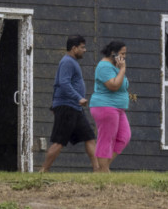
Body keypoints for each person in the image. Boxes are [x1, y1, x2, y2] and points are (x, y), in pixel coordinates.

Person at [40, 35, 99, 172]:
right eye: (82, 47)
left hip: (75, 108)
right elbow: (63, 83)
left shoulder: (72, 62)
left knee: (89, 137)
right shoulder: (67, 62)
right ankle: (43, 171)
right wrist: (78, 97)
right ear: (74, 48)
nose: (85, 50)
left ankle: (98, 170)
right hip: (67, 107)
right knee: (59, 142)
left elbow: (60, 84)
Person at [89, 40, 131, 173]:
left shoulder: (115, 67)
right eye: (122, 54)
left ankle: (101, 169)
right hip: (105, 107)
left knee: (124, 136)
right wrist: (123, 69)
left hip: (118, 108)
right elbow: (113, 85)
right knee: (106, 139)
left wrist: (120, 69)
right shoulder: (104, 66)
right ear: (113, 53)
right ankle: (104, 170)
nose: (124, 57)